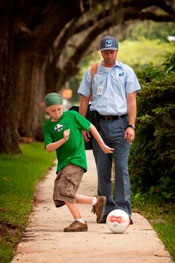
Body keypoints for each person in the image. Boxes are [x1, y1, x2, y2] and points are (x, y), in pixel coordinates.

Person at [77, 35, 141, 224]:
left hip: (121, 124)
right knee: (103, 170)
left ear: (117, 51)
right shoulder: (93, 72)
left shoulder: (127, 71)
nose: (109, 55)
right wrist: (83, 126)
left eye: (112, 51)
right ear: (101, 52)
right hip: (98, 125)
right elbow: (83, 100)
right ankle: (106, 212)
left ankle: (123, 212)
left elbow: (131, 101)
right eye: (105, 51)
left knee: (121, 169)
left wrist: (131, 125)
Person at [43, 92, 114, 232]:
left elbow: (90, 127)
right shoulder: (48, 127)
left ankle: (80, 221)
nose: (57, 113)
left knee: (64, 191)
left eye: (59, 109)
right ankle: (96, 201)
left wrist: (102, 145)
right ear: (47, 110)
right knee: (59, 195)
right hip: (63, 163)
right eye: (53, 110)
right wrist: (62, 140)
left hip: (76, 160)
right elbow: (49, 148)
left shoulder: (72, 116)